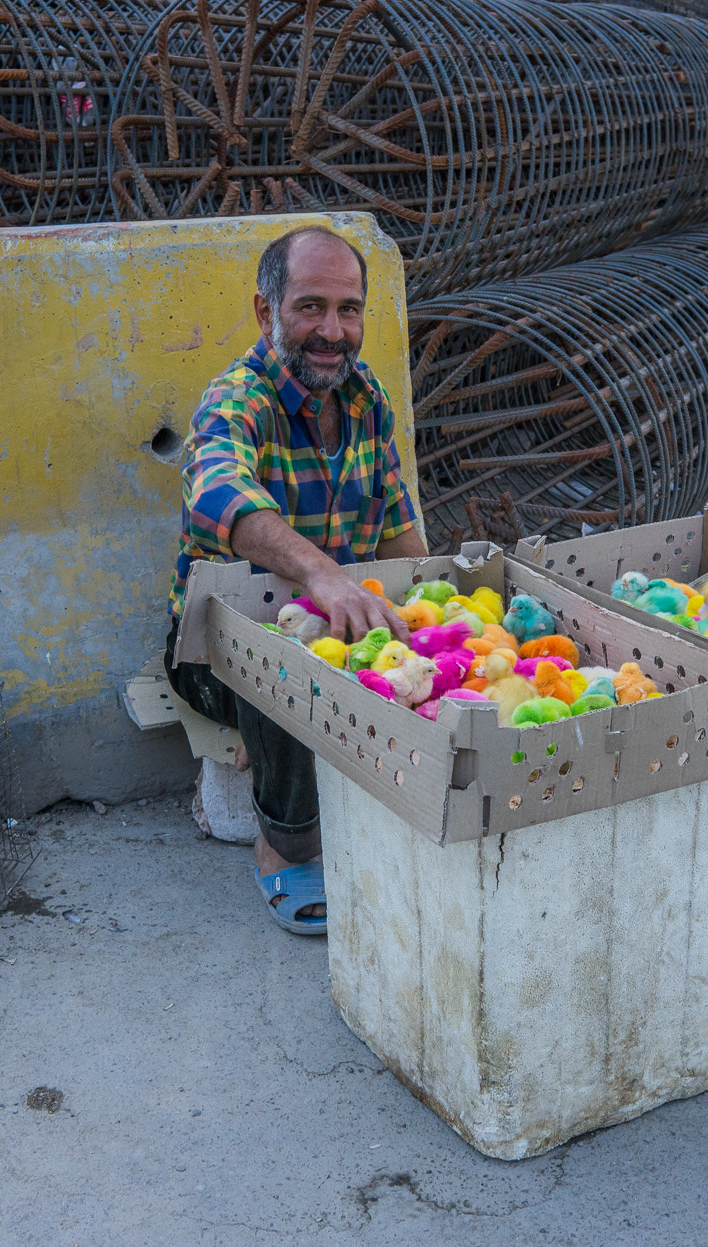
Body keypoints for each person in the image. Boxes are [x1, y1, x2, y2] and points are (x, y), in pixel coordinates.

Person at [163, 226, 428, 936]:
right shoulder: (236, 398)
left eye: (348, 310)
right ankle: (284, 843)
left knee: (423, 653)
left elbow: (401, 528)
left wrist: (430, 603)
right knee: (285, 669)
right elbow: (215, 492)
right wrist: (321, 573)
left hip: (341, 630)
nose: (331, 331)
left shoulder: (366, 397)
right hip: (215, 655)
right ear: (265, 311)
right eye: (309, 307)